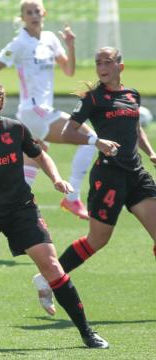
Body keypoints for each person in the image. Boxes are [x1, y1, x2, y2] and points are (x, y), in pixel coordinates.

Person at [0, 77, 109, 350]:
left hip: (21, 210)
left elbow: (40, 156)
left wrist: (56, 178)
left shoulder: (16, 130)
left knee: (51, 267)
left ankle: (87, 333)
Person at [33, 47, 156, 314]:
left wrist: (151, 152)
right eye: (98, 62)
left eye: (108, 62)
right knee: (98, 240)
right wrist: (95, 141)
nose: (102, 66)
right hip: (109, 176)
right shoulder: (93, 98)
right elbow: (69, 130)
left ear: (119, 67)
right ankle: (48, 276)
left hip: (136, 174)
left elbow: (136, 130)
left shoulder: (132, 94)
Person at [0, 0, 96, 220]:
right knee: (90, 139)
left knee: (30, 167)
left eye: (37, 11)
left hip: (40, 112)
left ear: (43, 13)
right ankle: (72, 198)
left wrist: (71, 46)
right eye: (29, 12)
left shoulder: (50, 39)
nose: (34, 15)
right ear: (23, 17)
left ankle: (0, 216)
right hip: (33, 112)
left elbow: (69, 70)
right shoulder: (19, 43)